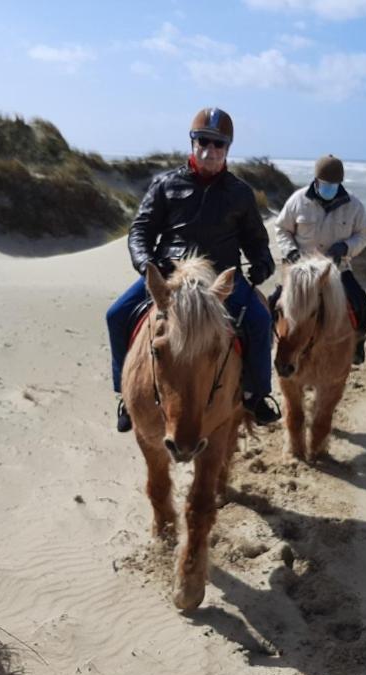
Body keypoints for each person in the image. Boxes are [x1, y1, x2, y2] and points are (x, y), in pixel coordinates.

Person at [105, 107, 280, 433]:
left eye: (218, 144)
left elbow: (257, 242)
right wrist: (146, 264)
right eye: (203, 141)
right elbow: (140, 230)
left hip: (220, 280)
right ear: (193, 142)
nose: (210, 149)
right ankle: (124, 393)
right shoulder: (165, 185)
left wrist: (262, 265)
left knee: (260, 319)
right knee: (116, 315)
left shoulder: (240, 193)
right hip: (171, 278)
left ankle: (258, 395)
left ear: (227, 149)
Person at [273, 154, 366, 364]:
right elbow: (281, 229)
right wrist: (291, 252)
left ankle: (357, 345)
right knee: (271, 305)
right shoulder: (298, 200)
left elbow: (364, 234)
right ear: (316, 181)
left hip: (337, 271)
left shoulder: (354, 206)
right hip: (300, 273)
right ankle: (275, 350)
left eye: (335, 184)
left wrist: (346, 247)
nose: (330, 188)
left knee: (364, 308)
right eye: (326, 184)